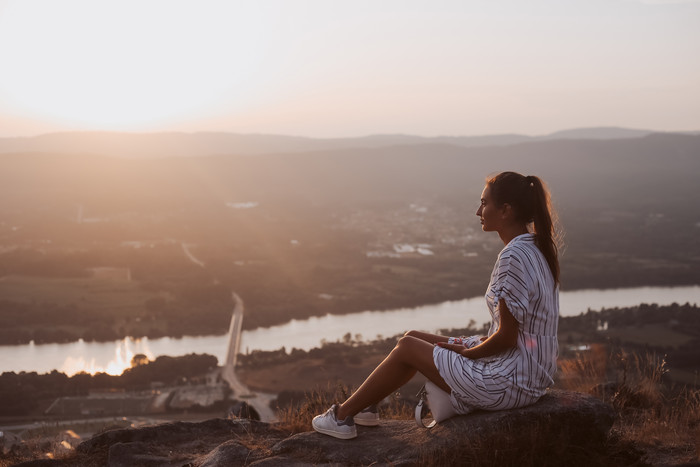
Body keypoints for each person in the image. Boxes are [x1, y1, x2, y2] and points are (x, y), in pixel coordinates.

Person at [312, 171, 561, 439]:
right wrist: (470, 345)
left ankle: (340, 417)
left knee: (408, 348)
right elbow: (518, 335)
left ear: (506, 211)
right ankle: (366, 408)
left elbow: (507, 339)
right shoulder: (536, 248)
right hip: (525, 376)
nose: (478, 211)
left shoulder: (513, 257)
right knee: (412, 337)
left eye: (484, 203)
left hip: (508, 383)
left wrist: (467, 355)